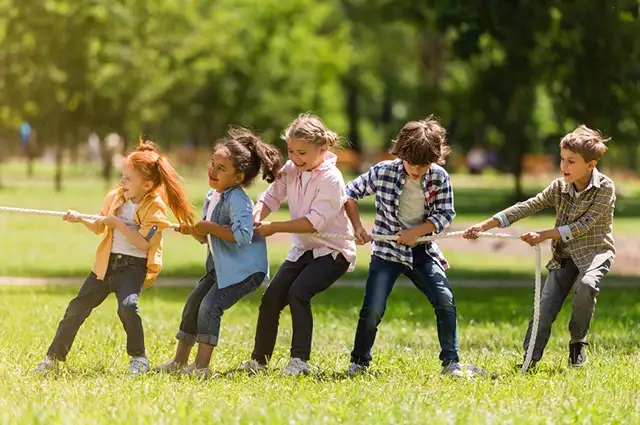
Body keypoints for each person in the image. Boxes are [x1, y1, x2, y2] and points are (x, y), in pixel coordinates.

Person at [464, 125, 615, 368]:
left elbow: (583, 226)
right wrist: (485, 225)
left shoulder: (605, 188)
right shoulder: (559, 187)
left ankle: (578, 342)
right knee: (545, 307)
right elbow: (528, 206)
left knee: (587, 286)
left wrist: (544, 234)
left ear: (591, 165)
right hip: (564, 255)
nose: (564, 166)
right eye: (562, 159)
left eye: (572, 161)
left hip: (595, 252)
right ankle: (529, 359)